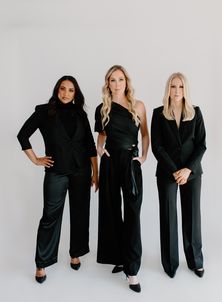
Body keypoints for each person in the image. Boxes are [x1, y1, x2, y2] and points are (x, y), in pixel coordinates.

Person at [17, 75, 98, 283]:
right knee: (50, 216)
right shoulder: (44, 112)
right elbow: (22, 135)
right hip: (56, 172)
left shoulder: (81, 114)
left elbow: (90, 145)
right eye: (63, 89)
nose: (66, 93)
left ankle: (75, 253)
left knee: (80, 213)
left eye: (71, 90)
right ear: (57, 90)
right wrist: (36, 159)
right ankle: (41, 263)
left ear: (75, 94)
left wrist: (95, 172)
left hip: (81, 172)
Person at [94, 65, 149, 293]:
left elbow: (145, 134)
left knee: (133, 213)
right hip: (110, 163)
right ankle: (119, 257)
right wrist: (100, 149)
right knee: (111, 209)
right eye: (112, 80)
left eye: (120, 79)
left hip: (130, 162)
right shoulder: (102, 108)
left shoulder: (138, 106)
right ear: (108, 83)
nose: (117, 84)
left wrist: (144, 157)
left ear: (126, 82)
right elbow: (101, 136)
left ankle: (133, 269)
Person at [151, 72, 206, 278]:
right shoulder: (158, 113)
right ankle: (170, 264)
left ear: (185, 90)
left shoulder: (196, 112)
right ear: (168, 89)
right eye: (173, 86)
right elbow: (157, 146)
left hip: (191, 172)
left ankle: (195, 261)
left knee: (192, 217)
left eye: (180, 87)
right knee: (168, 216)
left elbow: (201, 144)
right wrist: (174, 170)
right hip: (167, 172)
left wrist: (187, 169)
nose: (176, 91)